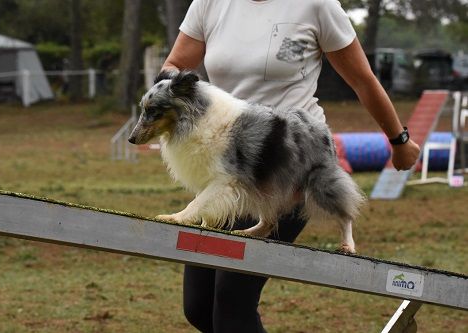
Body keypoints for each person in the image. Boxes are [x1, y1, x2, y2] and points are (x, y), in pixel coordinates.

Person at [159, 0, 420, 332]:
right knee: (198, 308)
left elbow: (362, 81)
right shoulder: (211, 2)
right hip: (225, 169)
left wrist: (398, 141)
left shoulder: (317, 5)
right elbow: (175, 65)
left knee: (232, 305)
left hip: (288, 166)